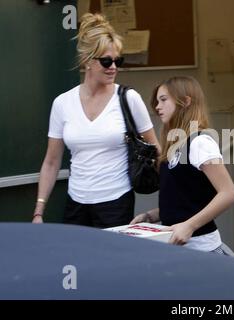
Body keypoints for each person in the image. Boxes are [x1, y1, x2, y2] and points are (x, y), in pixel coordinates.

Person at [32, 13, 159, 228]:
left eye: (118, 61)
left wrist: (170, 199)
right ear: (87, 61)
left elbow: (156, 149)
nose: (113, 67)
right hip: (76, 202)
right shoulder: (63, 103)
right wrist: (38, 211)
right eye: (106, 61)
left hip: (116, 201)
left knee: (112, 261)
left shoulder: (129, 99)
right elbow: (51, 161)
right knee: (75, 260)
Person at [131, 76, 234, 254]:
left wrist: (189, 226)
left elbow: (228, 193)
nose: (157, 107)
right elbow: (186, 200)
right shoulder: (175, 146)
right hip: (178, 250)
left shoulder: (200, 142)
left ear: (186, 101)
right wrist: (151, 216)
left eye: (163, 100)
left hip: (203, 251)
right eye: (157, 101)